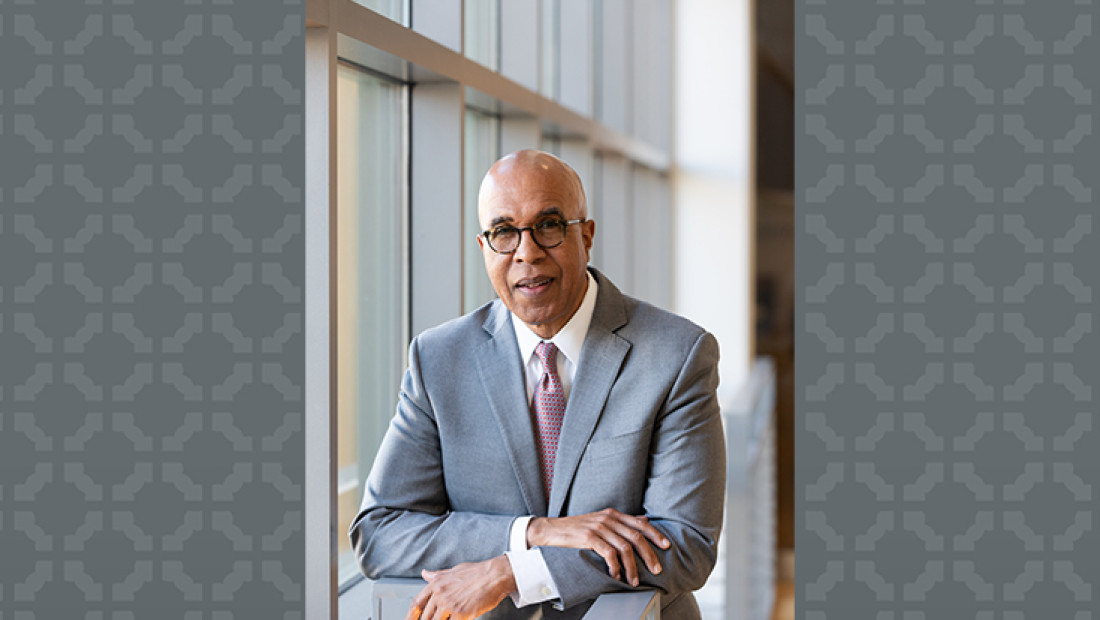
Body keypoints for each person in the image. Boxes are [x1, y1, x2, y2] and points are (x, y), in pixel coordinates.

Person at [349, 149, 725, 619]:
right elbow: (380, 533)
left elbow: (686, 544)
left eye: (548, 225)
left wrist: (512, 570)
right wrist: (534, 532)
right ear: (484, 248)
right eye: (505, 232)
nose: (526, 252)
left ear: (586, 235)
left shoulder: (676, 354)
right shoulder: (438, 358)